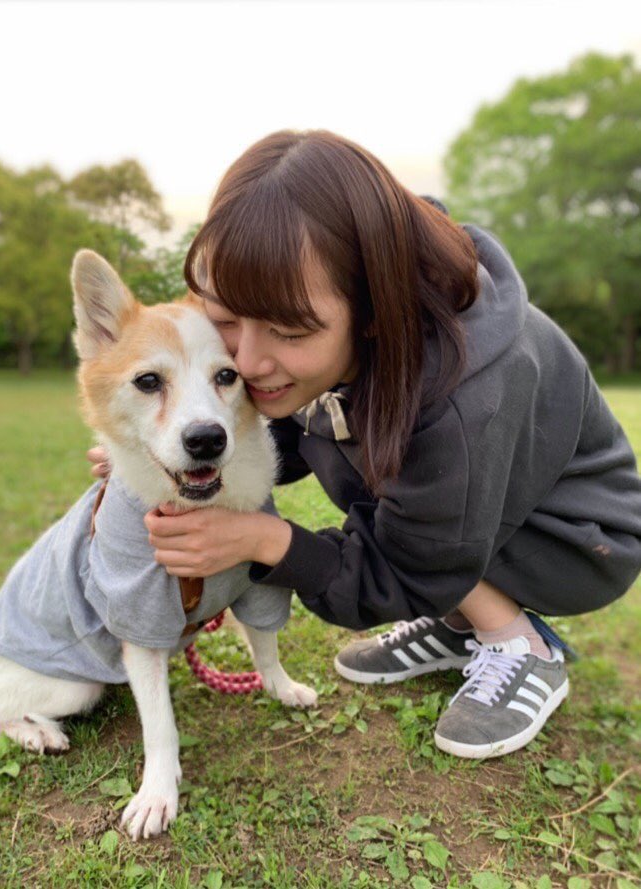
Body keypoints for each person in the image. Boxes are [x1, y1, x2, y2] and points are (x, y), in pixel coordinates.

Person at [87, 129, 641, 759]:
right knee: (422, 517)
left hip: (575, 539)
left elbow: (407, 562)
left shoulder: (463, 401)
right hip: (466, 513)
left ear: (374, 308)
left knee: (427, 548)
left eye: (287, 330)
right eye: (226, 318)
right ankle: (457, 625)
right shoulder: (358, 328)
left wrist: (263, 541)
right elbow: (299, 439)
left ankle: (518, 644)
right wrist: (178, 454)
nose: (245, 358)